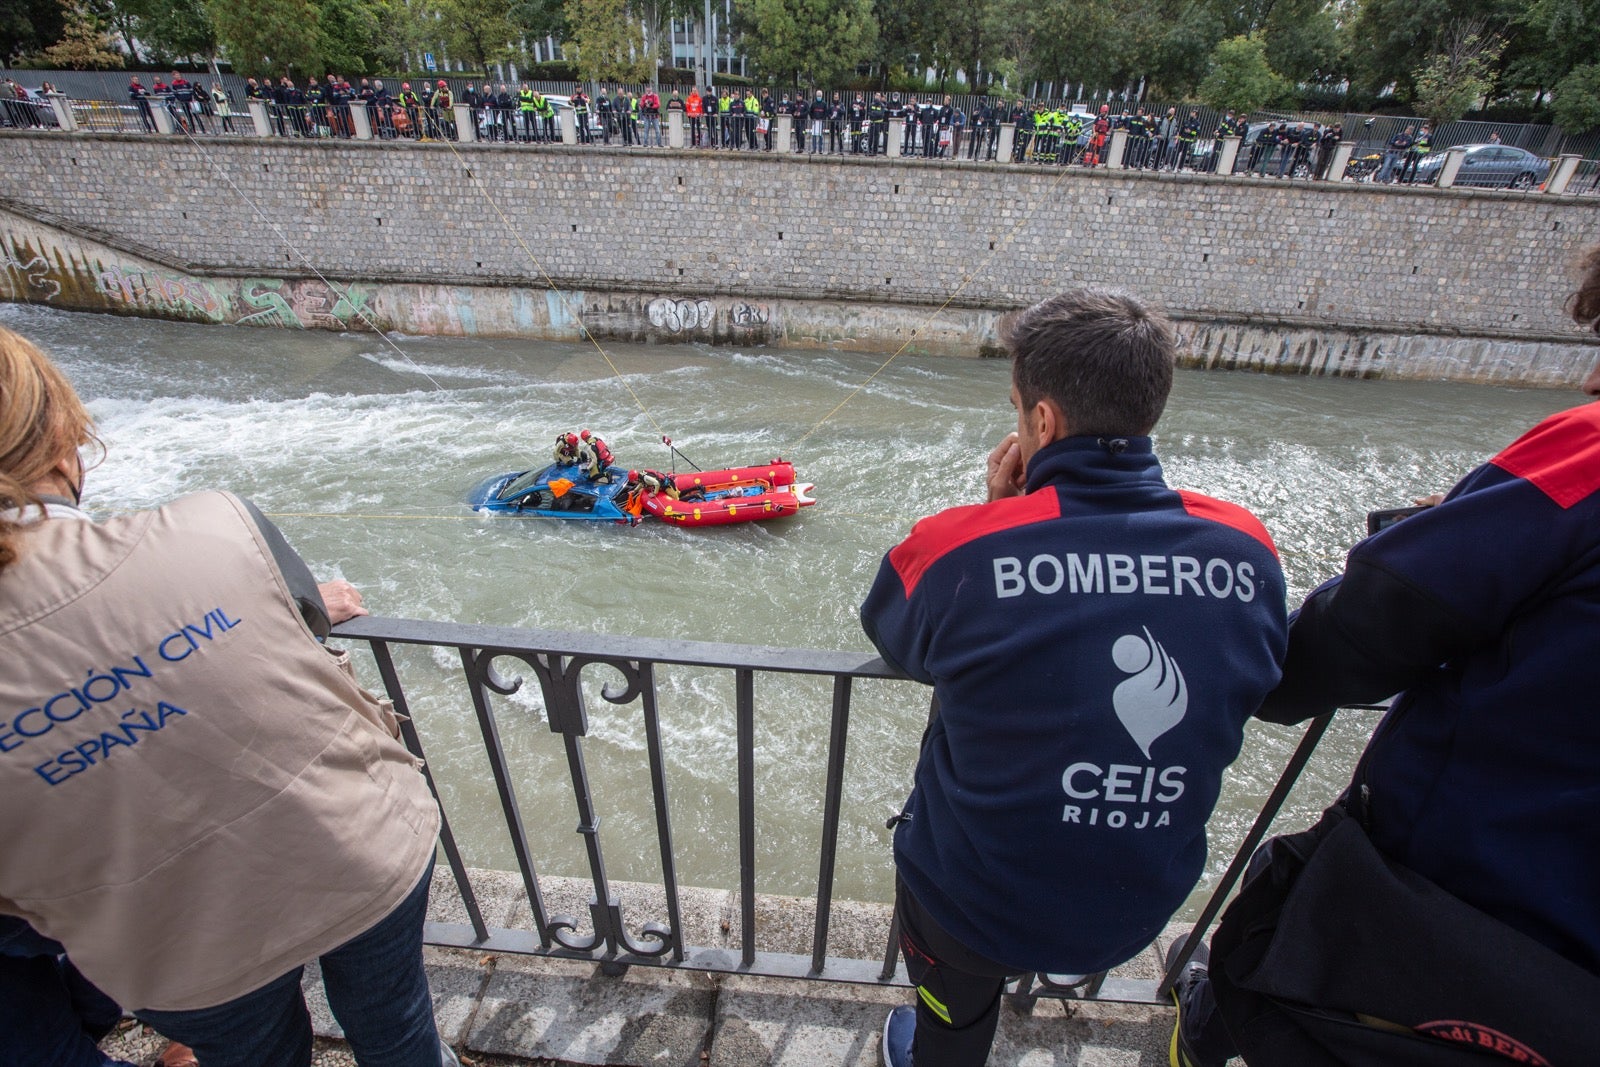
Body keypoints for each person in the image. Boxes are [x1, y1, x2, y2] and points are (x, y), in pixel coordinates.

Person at [1168, 249, 1600, 1067]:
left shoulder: (1585, 458)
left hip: (1458, 887)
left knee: (1259, 986)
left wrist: (1253, 676)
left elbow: (1376, 619)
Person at [0, 328, 455, 1067]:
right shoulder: (217, 526)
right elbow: (285, 619)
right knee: (399, 1030)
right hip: (357, 848)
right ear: (63, 448)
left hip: (176, 946)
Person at [861, 288, 1288, 1067]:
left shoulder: (959, 550)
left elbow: (892, 631)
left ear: (1043, 423)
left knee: (948, 1020)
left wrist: (995, 512)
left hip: (967, 900)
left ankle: (944, 1044)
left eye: (1018, 405)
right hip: (1131, 909)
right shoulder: (1248, 549)